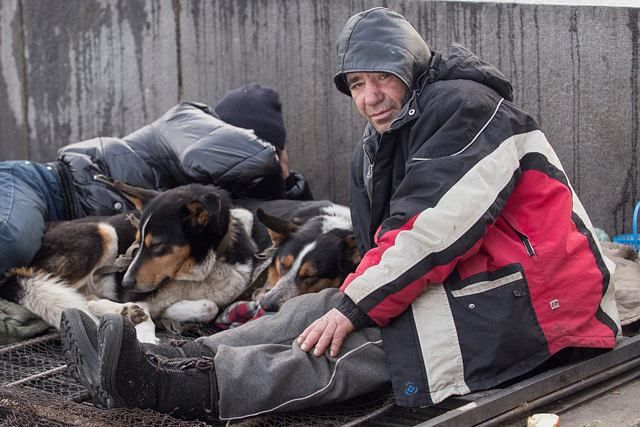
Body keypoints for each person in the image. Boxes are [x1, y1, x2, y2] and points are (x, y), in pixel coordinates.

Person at [61, 7, 620, 422]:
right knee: (323, 307)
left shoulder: (468, 108)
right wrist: (345, 301)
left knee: (364, 345)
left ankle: (163, 392)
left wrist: (356, 308)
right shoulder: (378, 147)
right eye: (357, 84)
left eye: (381, 78)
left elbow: (432, 227)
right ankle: (168, 359)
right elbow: (384, 245)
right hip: (479, 280)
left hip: (546, 301)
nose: (370, 96)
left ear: (411, 69)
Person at [0, 83, 312, 277]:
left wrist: (291, 195)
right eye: (278, 154)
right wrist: (275, 174)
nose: (282, 164)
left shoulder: (205, 206)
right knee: (12, 241)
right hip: (40, 186)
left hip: (66, 233)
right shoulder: (185, 120)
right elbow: (250, 160)